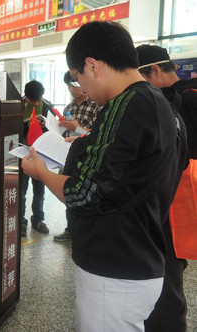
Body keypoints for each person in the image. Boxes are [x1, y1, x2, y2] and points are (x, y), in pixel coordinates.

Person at [21, 21, 187, 332]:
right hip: (142, 255)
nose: (81, 87)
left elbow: (82, 194)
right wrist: (84, 144)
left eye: (77, 77)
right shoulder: (159, 103)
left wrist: (40, 171)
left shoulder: (125, 106)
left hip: (115, 267)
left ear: (92, 65)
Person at [136, 44, 197, 332]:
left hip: (176, 203)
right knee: (171, 268)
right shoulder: (185, 96)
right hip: (176, 202)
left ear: (156, 71)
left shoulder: (182, 102)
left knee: (168, 276)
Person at [54, 71, 101, 242]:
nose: (72, 90)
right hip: (70, 156)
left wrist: (77, 128)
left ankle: (85, 230)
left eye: (74, 85)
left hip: (90, 158)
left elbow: (98, 135)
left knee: (86, 195)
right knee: (69, 190)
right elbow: (66, 132)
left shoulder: (96, 105)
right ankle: (70, 229)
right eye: (68, 86)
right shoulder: (69, 108)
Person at [21, 80, 52, 235]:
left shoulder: (46, 106)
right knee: (21, 191)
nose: (37, 103)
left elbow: (52, 129)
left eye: (39, 99)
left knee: (39, 191)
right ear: (26, 97)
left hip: (40, 155)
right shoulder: (18, 106)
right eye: (34, 101)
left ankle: (38, 220)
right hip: (23, 156)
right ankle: (20, 222)